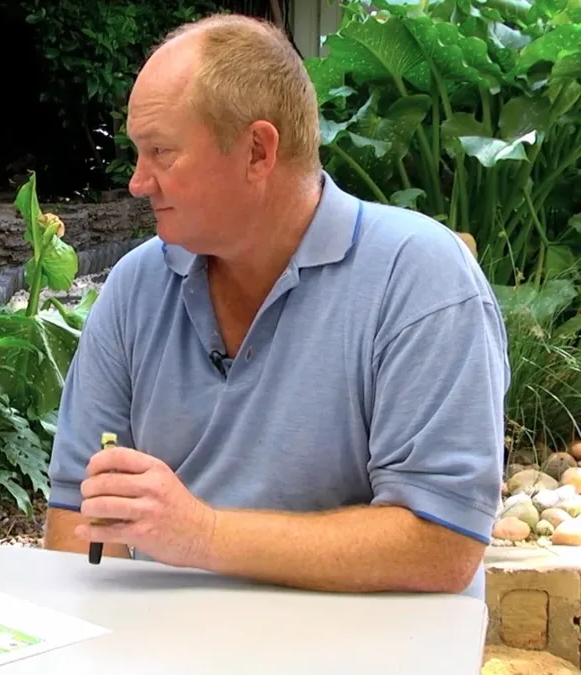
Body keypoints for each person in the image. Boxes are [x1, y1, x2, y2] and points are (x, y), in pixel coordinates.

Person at [45, 14, 509, 600]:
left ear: (258, 151)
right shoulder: (136, 285)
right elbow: (78, 514)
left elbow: (442, 544)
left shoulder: (419, 278)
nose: (138, 182)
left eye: (161, 152)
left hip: (370, 641)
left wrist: (202, 534)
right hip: (170, 641)